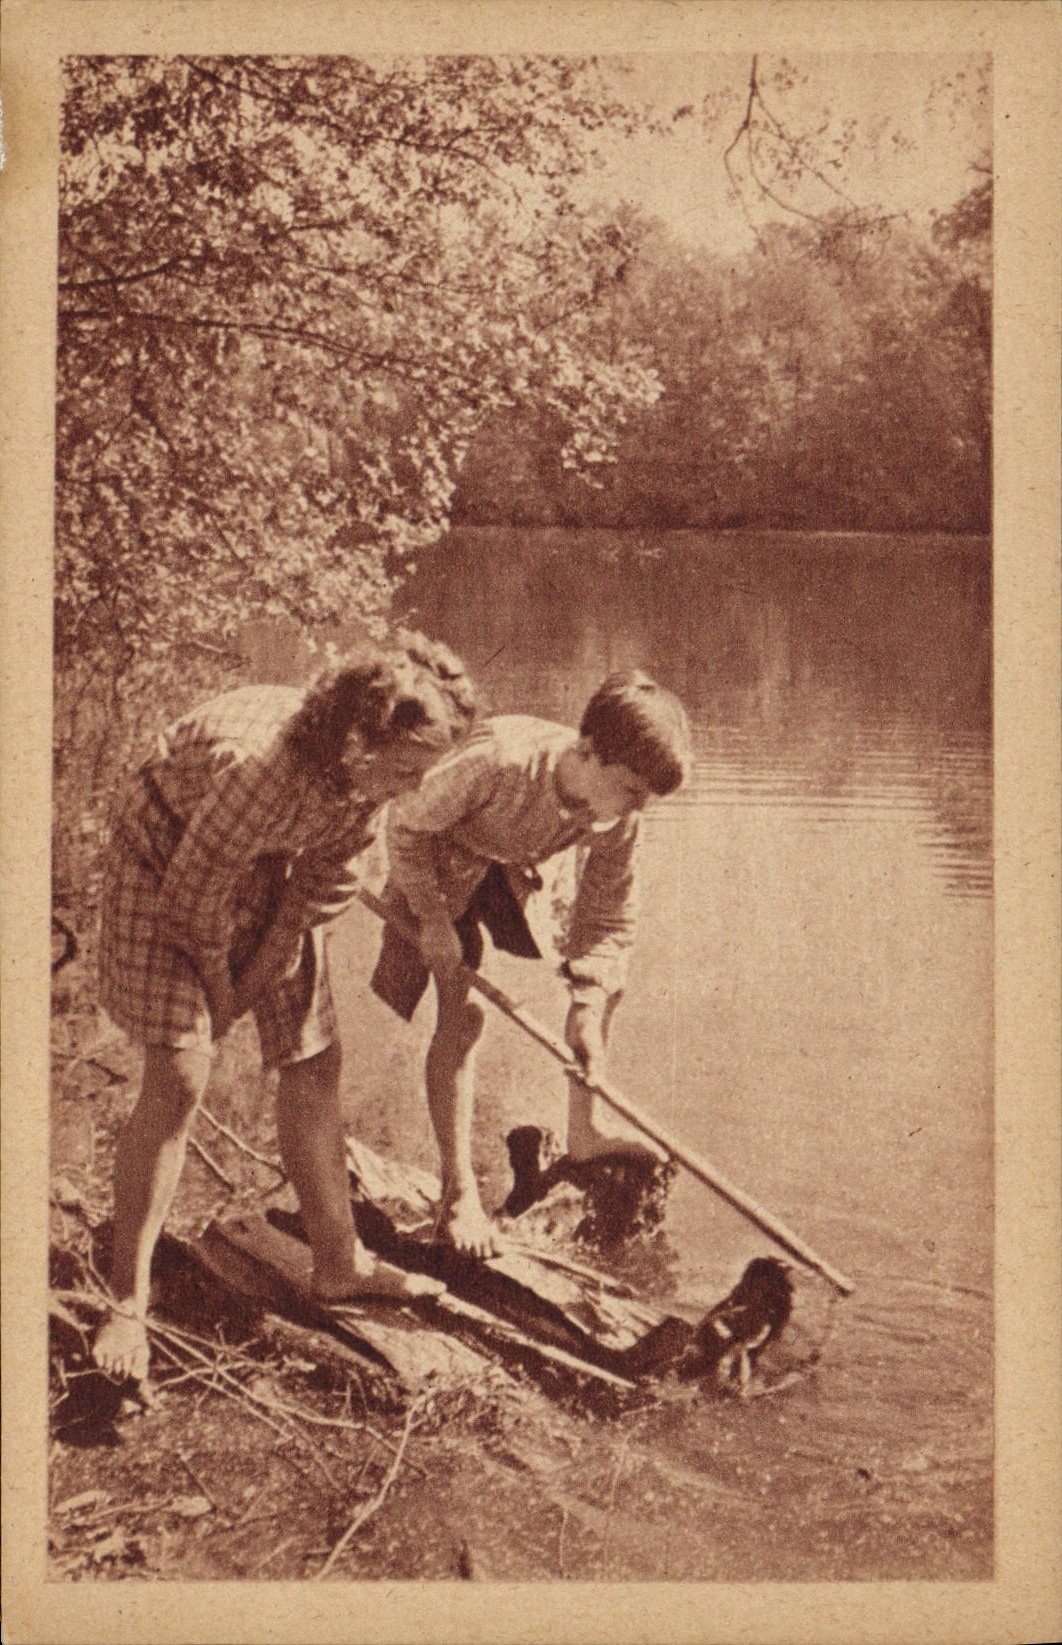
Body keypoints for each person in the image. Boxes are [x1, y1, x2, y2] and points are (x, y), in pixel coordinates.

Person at [92, 632, 477, 1383]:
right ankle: (126, 1297)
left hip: (264, 861)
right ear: (360, 740)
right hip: (163, 859)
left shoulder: (365, 786)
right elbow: (190, 905)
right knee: (180, 1074)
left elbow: (304, 902)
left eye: (424, 772)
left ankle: (339, 1262)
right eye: (405, 768)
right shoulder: (261, 767)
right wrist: (219, 996)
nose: (411, 788)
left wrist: (251, 981)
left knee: (314, 1054)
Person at [371, 669, 692, 1259]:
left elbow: (608, 919)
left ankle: (585, 1133)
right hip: (436, 867)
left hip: (513, 870)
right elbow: (404, 826)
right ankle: (459, 1191)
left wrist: (586, 1013)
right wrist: (435, 923)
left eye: (644, 797)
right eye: (628, 788)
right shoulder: (498, 761)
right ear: (587, 751)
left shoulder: (618, 810)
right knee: (465, 1017)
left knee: (604, 983)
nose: (634, 807)